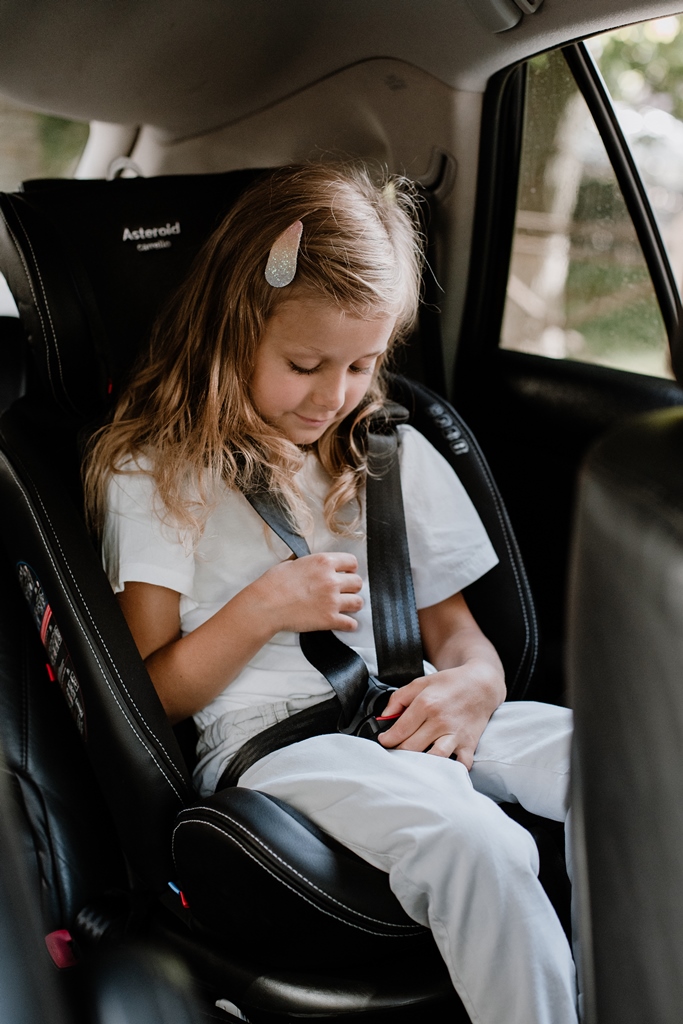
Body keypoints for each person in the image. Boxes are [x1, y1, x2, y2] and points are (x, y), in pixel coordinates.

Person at [84, 163, 578, 1024]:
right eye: (304, 363)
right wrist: (262, 610)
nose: (333, 394)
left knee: (620, 768)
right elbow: (149, 697)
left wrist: (476, 684)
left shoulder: (386, 453)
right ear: (230, 328)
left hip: (413, 709)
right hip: (277, 745)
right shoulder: (158, 472)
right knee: (476, 845)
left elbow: (455, 632)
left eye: (361, 363)